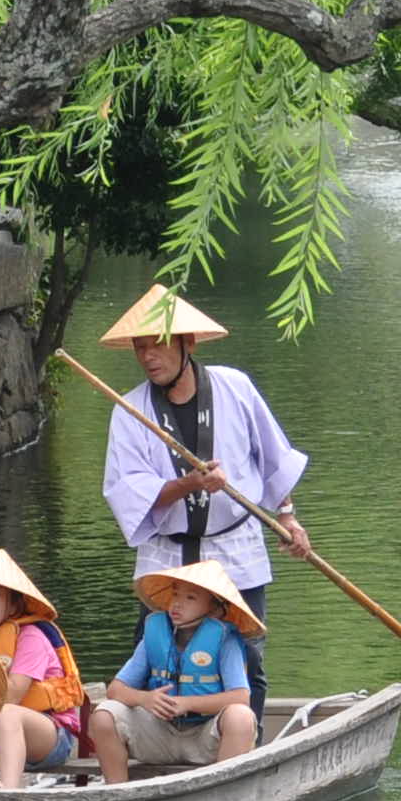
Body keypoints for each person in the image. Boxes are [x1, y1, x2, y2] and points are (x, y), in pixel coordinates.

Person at [94, 283, 311, 701]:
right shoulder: (130, 410)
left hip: (233, 547)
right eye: (140, 348)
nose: (148, 357)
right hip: (168, 554)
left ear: (187, 342)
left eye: (157, 345)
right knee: (155, 655)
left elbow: (272, 456)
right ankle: (158, 734)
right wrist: (190, 484)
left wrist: (286, 515)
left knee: (247, 658)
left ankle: (247, 735)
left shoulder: (235, 387)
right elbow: (130, 491)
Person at [89, 563, 260, 782]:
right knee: (104, 714)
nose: (177, 603)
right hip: (159, 736)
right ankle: (116, 792)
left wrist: (187, 703)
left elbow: (241, 697)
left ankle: (224, 792)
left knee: (240, 716)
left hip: (205, 739)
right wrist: (145, 699)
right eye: (175, 594)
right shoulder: (155, 634)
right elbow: (115, 690)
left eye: (191, 598)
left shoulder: (226, 639)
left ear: (215, 609)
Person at [0, 548, 83, 789]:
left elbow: (11, 696)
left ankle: (9, 792)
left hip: (50, 735)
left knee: (6, 713)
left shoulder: (30, 636)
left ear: (12, 606)